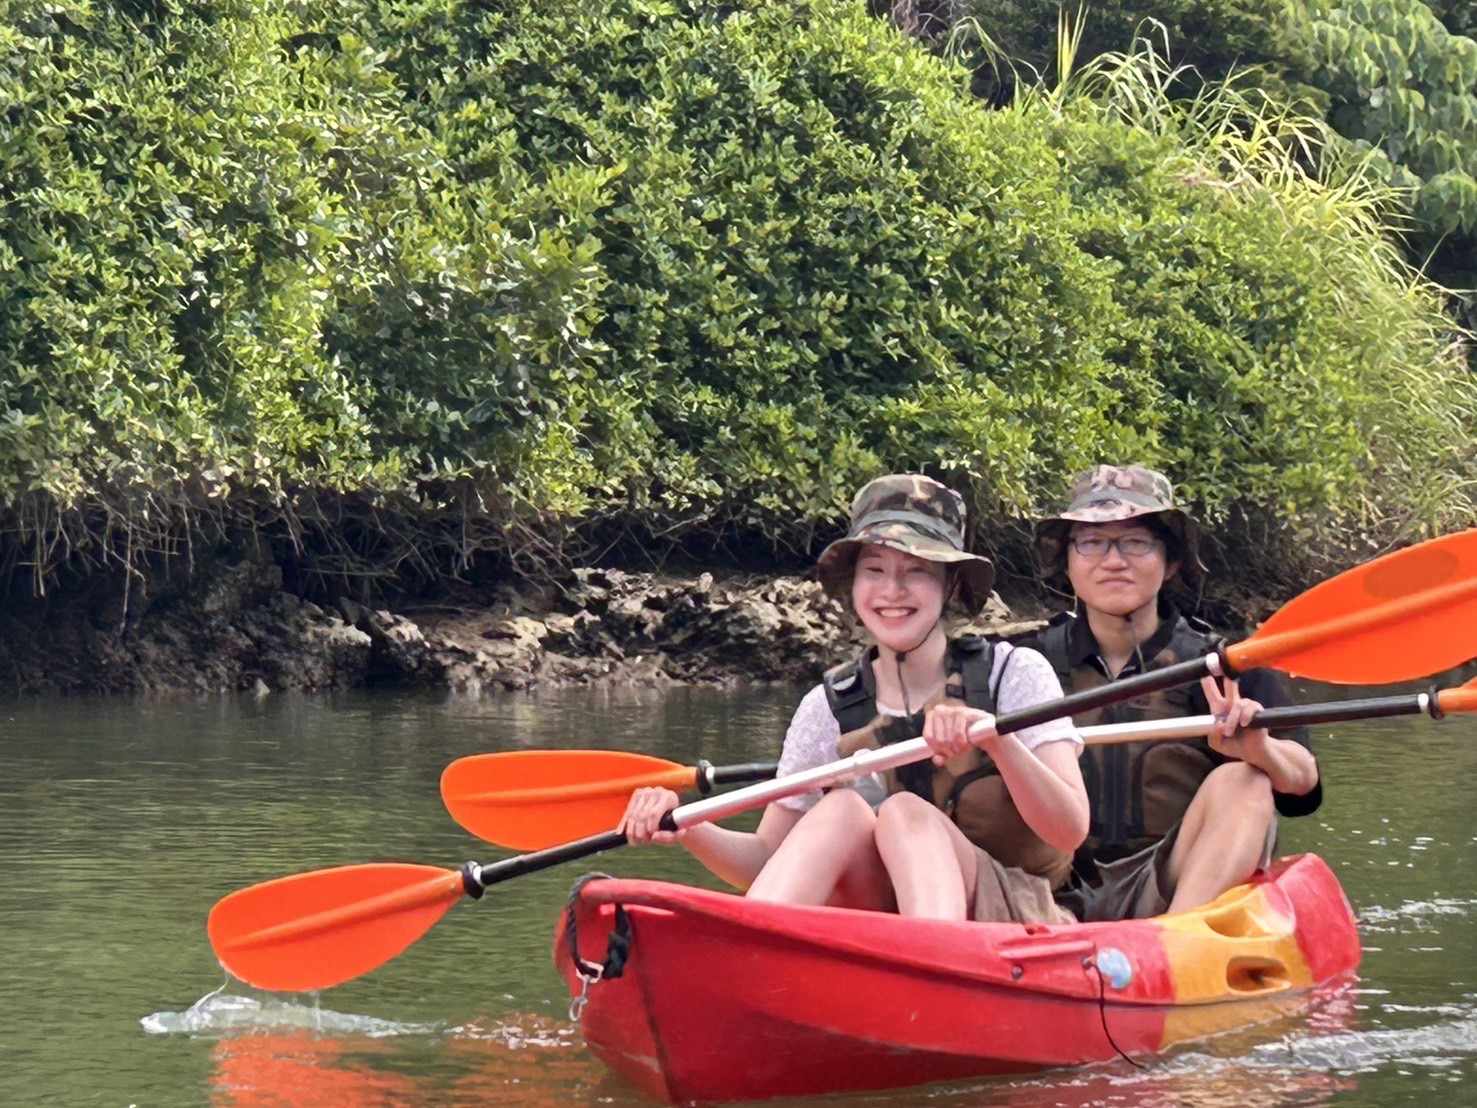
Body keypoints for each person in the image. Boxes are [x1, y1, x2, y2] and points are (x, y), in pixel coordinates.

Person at [618, 474, 1089, 922]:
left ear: (950, 584)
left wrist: (996, 741)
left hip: (1015, 915)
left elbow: (1069, 829)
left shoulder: (1014, 674)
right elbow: (766, 858)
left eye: (917, 570)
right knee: (841, 809)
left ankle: (931, 956)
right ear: (854, 583)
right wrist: (688, 826)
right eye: (874, 570)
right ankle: (750, 948)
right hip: (885, 921)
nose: (892, 591)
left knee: (905, 812)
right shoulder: (826, 708)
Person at [1012, 464, 1322, 921]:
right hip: (1049, 886)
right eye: (1091, 542)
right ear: (1068, 561)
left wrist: (1262, 752)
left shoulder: (1220, 664)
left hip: (1170, 881)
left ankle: (1176, 940)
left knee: (1245, 780)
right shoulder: (1021, 665)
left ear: (1171, 561)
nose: (1113, 561)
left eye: (1135, 542)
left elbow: (1305, 785)